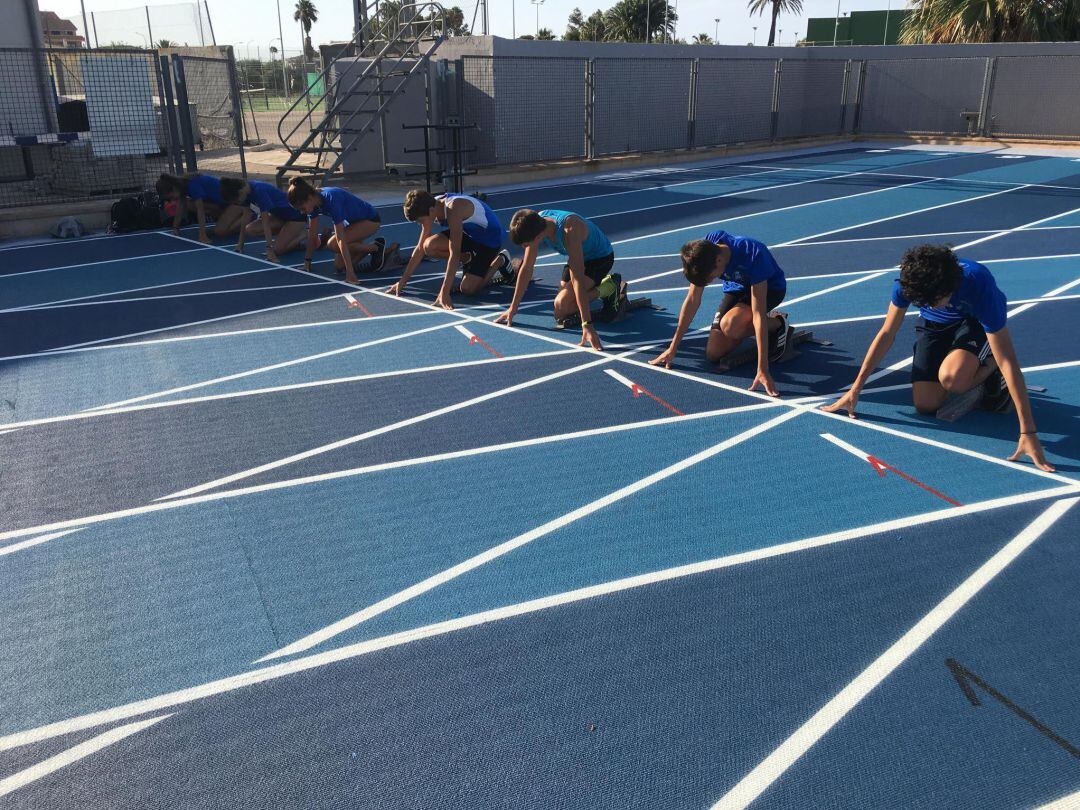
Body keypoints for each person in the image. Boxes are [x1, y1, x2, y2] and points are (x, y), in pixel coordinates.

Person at [822, 244, 1054, 471]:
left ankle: (987, 366)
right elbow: (886, 333)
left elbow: (1008, 360)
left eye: (935, 300)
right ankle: (960, 360)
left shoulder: (978, 284)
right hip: (935, 326)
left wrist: (1028, 431)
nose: (932, 305)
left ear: (949, 287)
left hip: (972, 323)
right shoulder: (910, 281)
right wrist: (855, 389)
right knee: (926, 404)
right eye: (925, 302)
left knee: (954, 380)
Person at [650, 230, 791, 396]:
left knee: (731, 326)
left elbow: (758, 313)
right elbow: (693, 299)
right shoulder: (705, 250)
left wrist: (762, 368)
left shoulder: (753, 254)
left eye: (710, 279)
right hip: (737, 288)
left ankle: (778, 323)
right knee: (713, 353)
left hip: (769, 289)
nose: (709, 283)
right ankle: (740, 320)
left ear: (719, 260)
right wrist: (673, 348)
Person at [496, 208, 622, 351]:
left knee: (562, 307)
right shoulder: (537, 221)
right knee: (561, 308)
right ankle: (591, 291)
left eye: (525, 245)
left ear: (537, 238)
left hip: (599, 259)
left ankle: (609, 287)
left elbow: (578, 279)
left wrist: (587, 324)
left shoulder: (570, 230)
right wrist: (513, 308)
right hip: (576, 256)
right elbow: (527, 268)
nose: (525, 248)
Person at [388, 189, 512, 309]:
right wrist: (402, 281)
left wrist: (444, 292)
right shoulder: (431, 205)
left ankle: (500, 261)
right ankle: (469, 258)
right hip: (470, 235)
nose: (420, 224)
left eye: (420, 221)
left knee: (468, 289)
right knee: (428, 246)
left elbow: (454, 254)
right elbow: (420, 249)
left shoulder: (454, 208)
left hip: (489, 240)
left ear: (431, 211)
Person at [287, 178, 388, 285]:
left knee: (333, 244)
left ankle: (376, 248)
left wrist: (350, 273)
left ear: (309, 198)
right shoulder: (314, 203)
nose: (302, 212)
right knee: (339, 266)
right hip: (354, 223)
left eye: (302, 208)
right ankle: (370, 248)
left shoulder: (331, 199)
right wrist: (307, 262)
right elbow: (312, 234)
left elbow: (340, 239)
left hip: (370, 221)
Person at [219, 177, 305, 263]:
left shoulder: (259, 191)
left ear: (240, 192)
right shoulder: (246, 193)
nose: (237, 204)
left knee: (278, 251)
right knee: (250, 229)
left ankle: (304, 235)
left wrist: (270, 250)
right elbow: (245, 218)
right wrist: (240, 244)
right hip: (280, 217)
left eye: (236, 201)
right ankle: (290, 239)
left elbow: (265, 223)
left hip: (296, 217)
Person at [155, 172, 247, 244]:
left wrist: (202, 235)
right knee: (188, 204)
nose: (171, 200)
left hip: (237, 203)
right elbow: (180, 208)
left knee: (220, 232)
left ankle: (247, 217)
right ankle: (227, 219)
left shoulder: (192, 185)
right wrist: (175, 228)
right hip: (221, 204)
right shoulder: (182, 188)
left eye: (170, 197)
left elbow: (200, 211)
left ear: (174, 188)